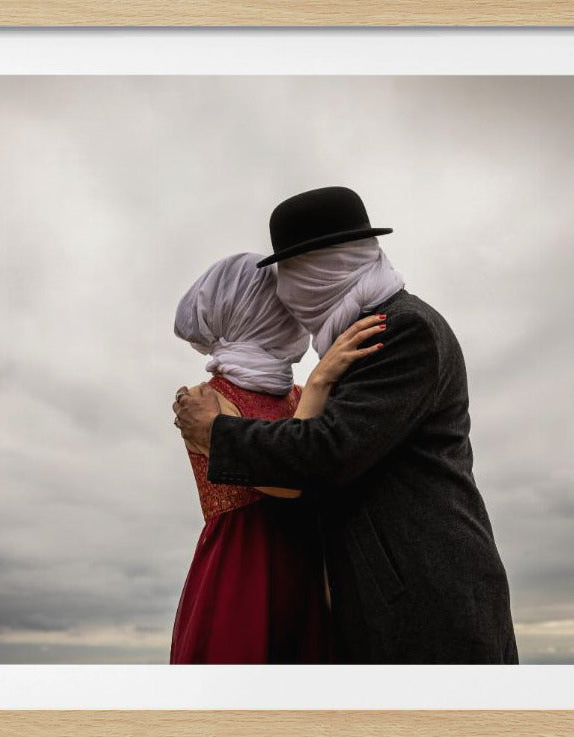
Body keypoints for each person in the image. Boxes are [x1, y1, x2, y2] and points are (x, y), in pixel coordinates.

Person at [174, 187, 519, 664]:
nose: (288, 296)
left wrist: (217, 434)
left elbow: (329, 450)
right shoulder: (363, 334)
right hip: (380, 594)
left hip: (424, 594)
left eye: (291, 275)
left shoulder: (398, 329)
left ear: (323, 269)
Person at [169, 252, 387, 664]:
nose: (291, 313)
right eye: (275, 303)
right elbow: (286, 478)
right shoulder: (207, 400)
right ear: (246, 312)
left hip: (305, 569)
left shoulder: (298, 397)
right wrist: (322, 376)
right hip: (241, 573)